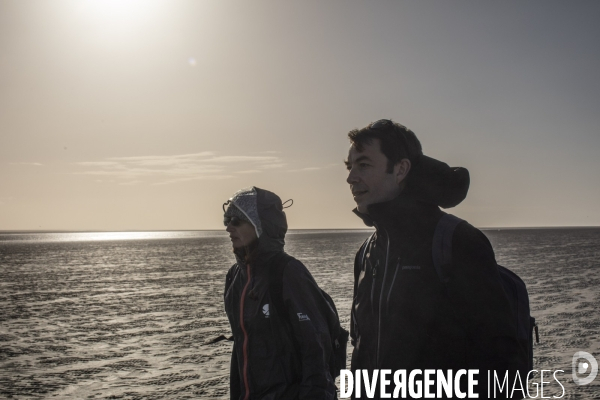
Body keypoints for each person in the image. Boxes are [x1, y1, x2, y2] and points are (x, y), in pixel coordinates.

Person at [344, 119, 526, 398]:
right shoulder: (367, 252)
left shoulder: (456, 241)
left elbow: (499, 358)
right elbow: (361, 348)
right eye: (350, 166)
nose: (351, 177)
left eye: (364, 165)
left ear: (401, 169)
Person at [223, 186, 337, 400]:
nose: (229, 228)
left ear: (260, 226)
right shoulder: (235, 278)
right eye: (226, 220)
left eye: (237, 221)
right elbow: (241, 350)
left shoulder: (288, 273)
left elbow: (316, 350)